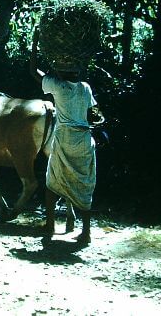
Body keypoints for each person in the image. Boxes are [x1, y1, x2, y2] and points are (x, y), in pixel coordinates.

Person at [30, 28, 104, 244]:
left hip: (64, 139)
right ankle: (86, 232)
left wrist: (35, 43)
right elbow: (94, 114)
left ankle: (51, 224)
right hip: (84, 140)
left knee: (52, 182)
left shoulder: (58, 86)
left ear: (60, 71)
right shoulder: (86, 88)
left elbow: (34, 72)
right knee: (84, 183)